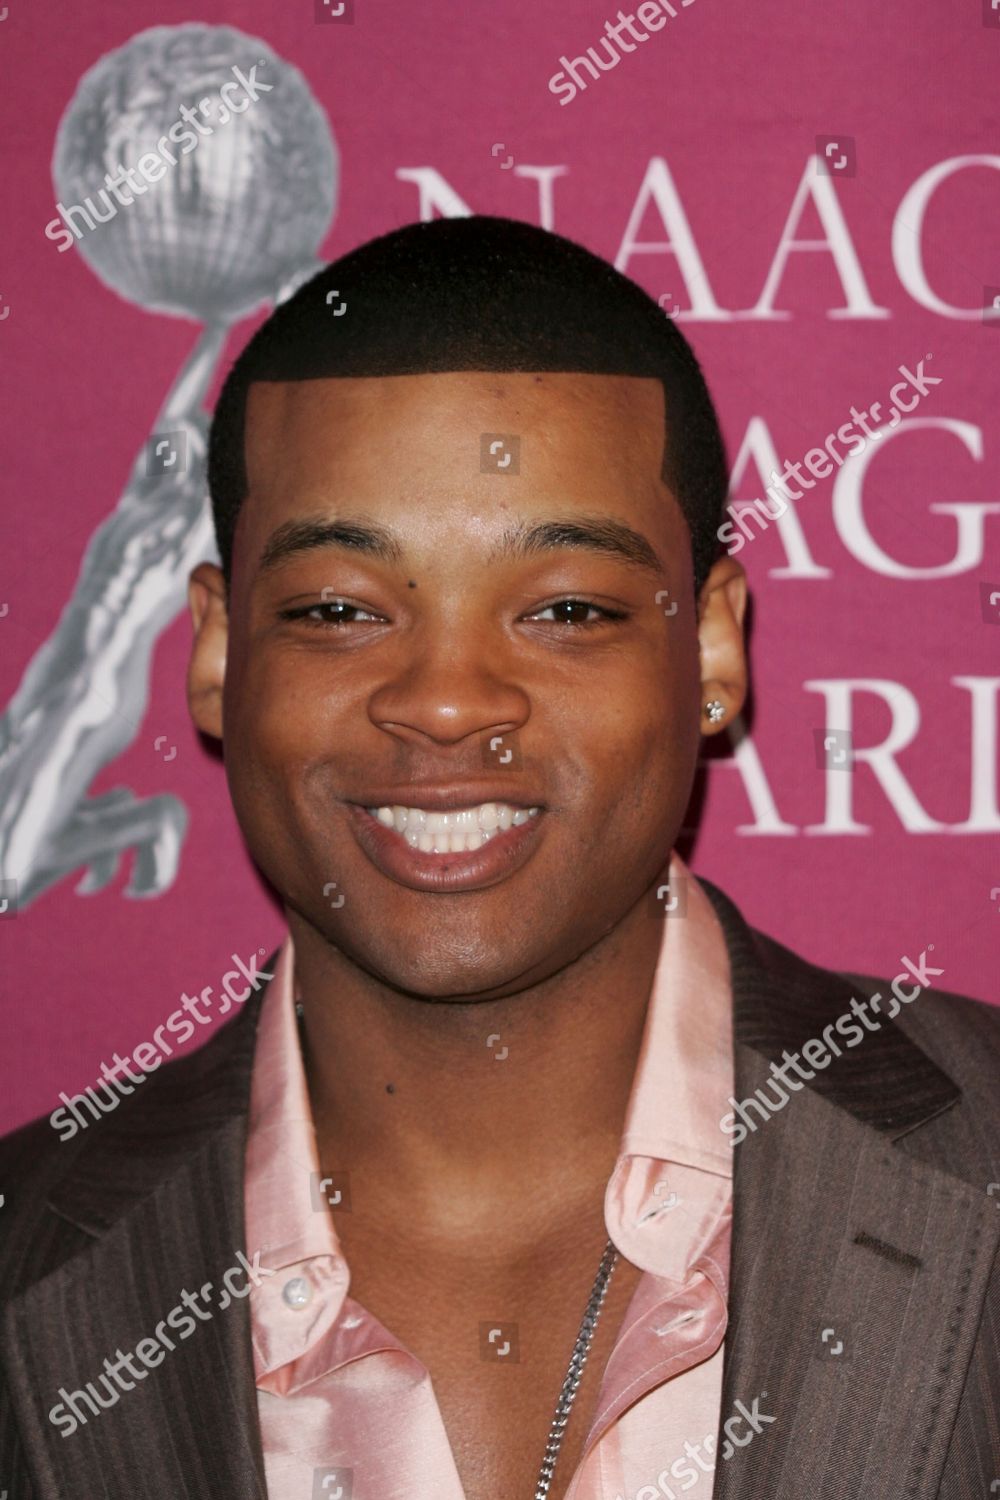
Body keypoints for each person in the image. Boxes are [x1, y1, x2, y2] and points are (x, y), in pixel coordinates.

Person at [0, 215, 996, 1500]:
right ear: (218, 652)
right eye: (338, 609)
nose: (446, 700)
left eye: (567, 608)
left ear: (709, 648)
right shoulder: (28, 1252)